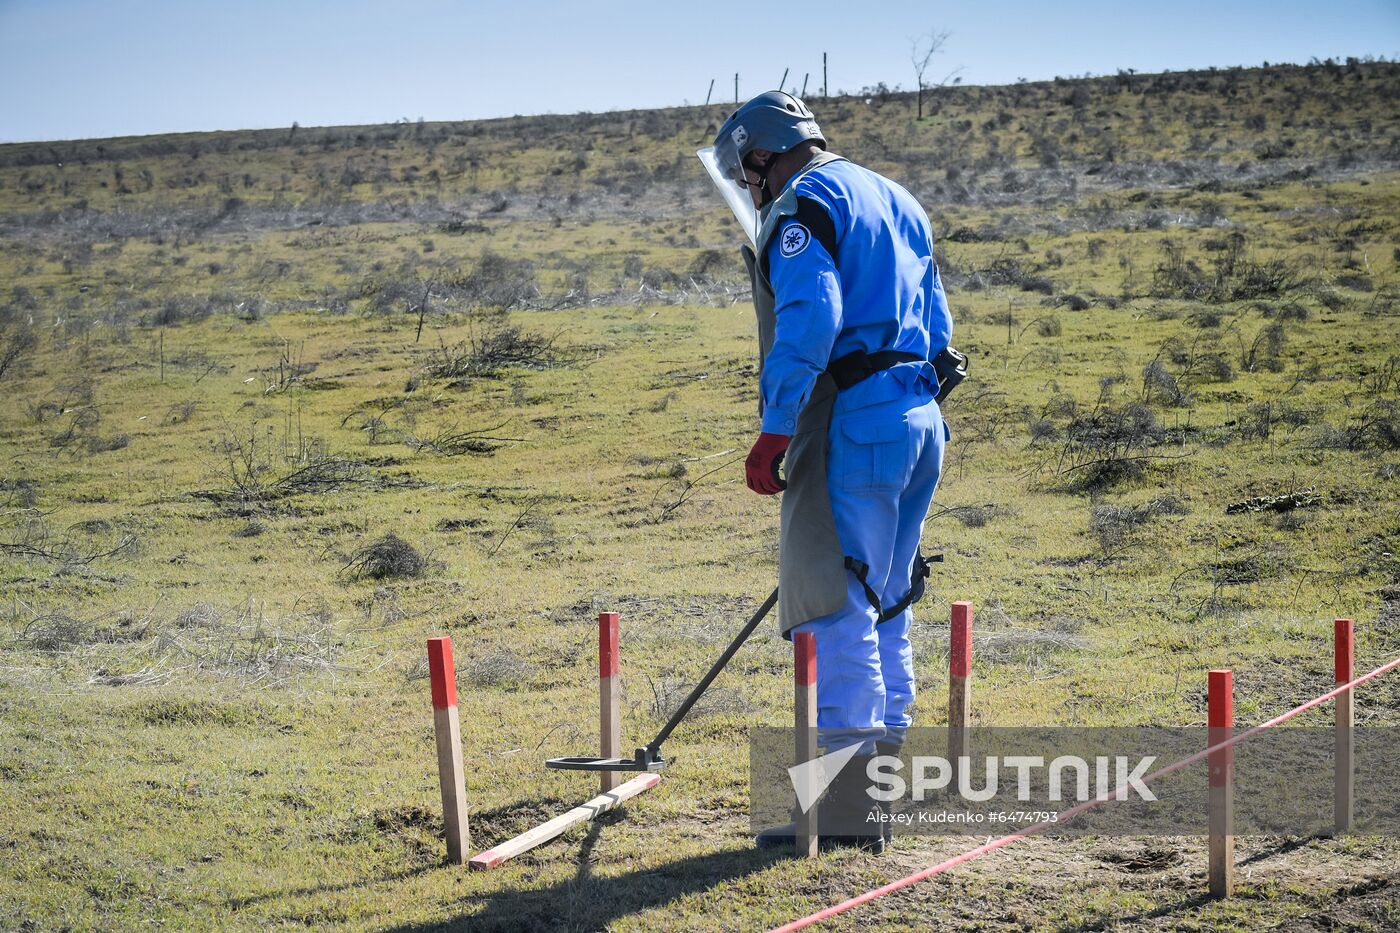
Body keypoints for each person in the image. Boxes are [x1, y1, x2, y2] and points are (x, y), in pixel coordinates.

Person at [699, 91, 960, 853]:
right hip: (919, 416)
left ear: (758, 155)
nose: (752, 187)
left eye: (748, 172)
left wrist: (775, 426)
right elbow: (939, 324)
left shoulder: (803, 203)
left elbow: (811, 315)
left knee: (838, 602)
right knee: (889, 596)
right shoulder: (895, 195)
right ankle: (877, 793)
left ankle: (847, 814)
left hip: (857, 422)